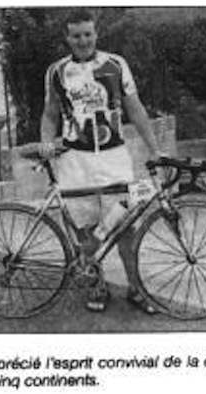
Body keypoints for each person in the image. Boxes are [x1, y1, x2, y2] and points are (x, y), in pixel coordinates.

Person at [39, 9, 162, 313]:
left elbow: (135, 109)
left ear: (96, 34)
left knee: (125, 226)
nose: (83, 41)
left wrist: (154, 149)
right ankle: (97, 285)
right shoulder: (56, 71)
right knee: (86, 229)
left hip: (113, 157)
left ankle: (136, 289)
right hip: (75, 160)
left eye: (87, 34)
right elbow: (50, 114)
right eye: (76, 36)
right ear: (67, 38)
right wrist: (46, 141)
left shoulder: (116, 64)